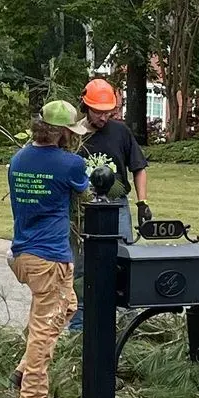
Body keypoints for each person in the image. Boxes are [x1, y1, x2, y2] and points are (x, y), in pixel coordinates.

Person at [6, 99, 88, 398]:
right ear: (63, 133)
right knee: (45, 327)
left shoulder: (18, 159)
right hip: (49, 258)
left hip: (23, 254)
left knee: (67, 306)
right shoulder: (70, 164)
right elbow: (88, 193)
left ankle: (23, 369)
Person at [66, 76, 151, 335]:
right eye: (97, 112)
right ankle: (80, 324)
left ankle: (128, 323)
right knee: (82, 264)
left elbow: (139, 167)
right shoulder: (73, 136)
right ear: (85, 106)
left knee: (123, 261)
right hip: (83, 207)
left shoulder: (120, 131)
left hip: (117, 203)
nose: (103, 118)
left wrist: (142, 202)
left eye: (107, 112)